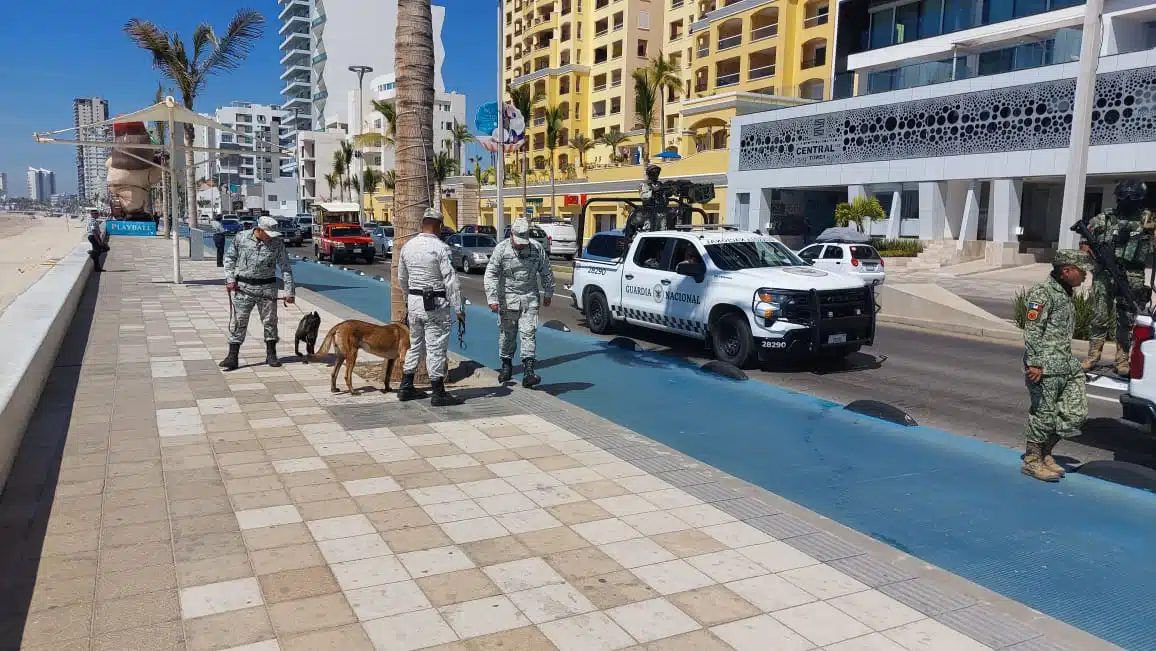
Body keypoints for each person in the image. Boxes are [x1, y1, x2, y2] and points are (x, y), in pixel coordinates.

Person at [1021, 249, 1091, 482]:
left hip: (1066, 363)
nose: (1085, 276)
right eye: (1082, 272)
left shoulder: (1065, 292)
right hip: (1045, 366)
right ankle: (1033, 460)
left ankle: (1044, 452)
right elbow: (1032, 330)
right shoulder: (1043, 293)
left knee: (1075, 414)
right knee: (1044, 415)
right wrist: (1035, 363)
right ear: (1066, 271)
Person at [1080, 179, 1155, 375]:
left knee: (1126, 319)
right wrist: (1100, 257)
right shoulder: (1104, 218)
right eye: (1124, 197)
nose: (1128, 201)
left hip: (1132, 275)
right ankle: (1093, 356)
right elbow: (1084, 243)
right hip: (1104, 274)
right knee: (1099, 316)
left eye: (1133, 197)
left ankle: (1122, 361)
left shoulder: (1148, 222)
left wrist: (1148, 235)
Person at [397, 208, 465, 406]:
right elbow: (451, 281)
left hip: (415, 303)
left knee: (415, 345)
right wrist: (459, 309)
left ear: (422, 225)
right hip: (435, 305)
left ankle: (406, 386)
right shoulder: (441, 248)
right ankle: (438, 392)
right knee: (436, 348)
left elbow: (402, 278)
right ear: (439, 226)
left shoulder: (408, 247)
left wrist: (409, 300)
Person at [484, 217, 556, 388]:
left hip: (529, 297)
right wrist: (492, 298)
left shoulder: (536, 249)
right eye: (518, 242)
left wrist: (548, 292)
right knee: (508, 334)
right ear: (511, 236)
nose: (521, 245)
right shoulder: (501, 249)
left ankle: (529, 373)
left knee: (528, 332)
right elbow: (491, 274)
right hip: (507, 297)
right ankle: (506, 365)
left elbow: (546, 271)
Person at [219, 216, 295, 371]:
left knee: (270, 322)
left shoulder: (277, 243)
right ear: (259, 230)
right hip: (243, 287)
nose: (270, 238)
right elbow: (229, 259)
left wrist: (289, 291)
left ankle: (271, 354)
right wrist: (230, 279)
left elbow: (286, 268)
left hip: (267, 288)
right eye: (267, 234)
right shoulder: (241, 238)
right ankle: (232, 356)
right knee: (239, 321)